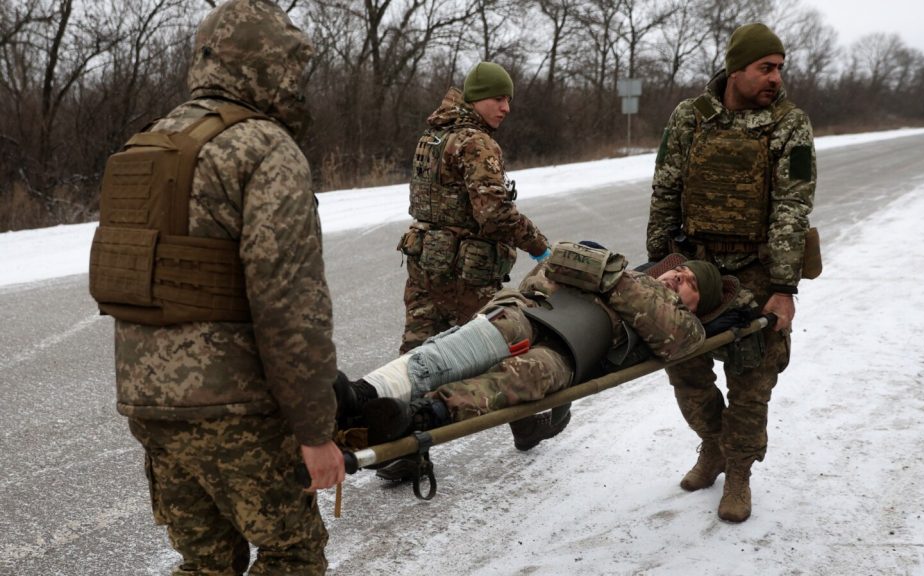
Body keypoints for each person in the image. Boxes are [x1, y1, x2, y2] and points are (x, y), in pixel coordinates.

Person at [88, 1, 344, 573]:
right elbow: (290, 305)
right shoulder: (265, 149)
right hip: (233, 408)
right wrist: (315, 430)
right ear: (268, 64)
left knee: (206, 563)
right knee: (292, 553)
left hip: (149, 404)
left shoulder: (146, 143)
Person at [335, 242, 757, 448]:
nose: (676, 278)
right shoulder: (631, 277)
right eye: (678, 271)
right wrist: (610, 277)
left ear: (696, 305)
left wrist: (607, 277)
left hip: (572, 355)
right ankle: (362, 393)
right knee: (466, 345)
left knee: (521, 380)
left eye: (689, 285)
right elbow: (551, 268)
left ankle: (421, 415)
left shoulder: (688, 328)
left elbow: (669, 333)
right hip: (536, 313)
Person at [646, 22, 817, 523]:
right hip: (696, 265)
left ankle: (739, 472)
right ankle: (713, 446)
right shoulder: (690, 117)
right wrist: (659, 260)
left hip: (758, 270)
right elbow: (665, 190)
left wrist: (785, 288)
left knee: (751, 376)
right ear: (736, 70)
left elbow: (792, 207)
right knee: (683, 364)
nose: (776, 78)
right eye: (766, 68)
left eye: (780, 68)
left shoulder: (789, 125)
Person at [383, 61, 553, 481]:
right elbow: (494, 213)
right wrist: (538, 245)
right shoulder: (476, 143)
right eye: (498, 98)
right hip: (468, 274)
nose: (506, 107)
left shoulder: (432, 136)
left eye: (510, 98)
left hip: (426, 265)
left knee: (414, 359)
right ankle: (528, 425)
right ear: (476, 97)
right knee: (501, 345)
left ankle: (405, 452)